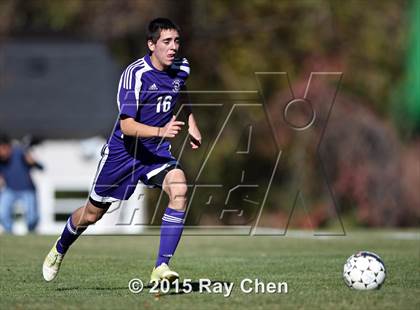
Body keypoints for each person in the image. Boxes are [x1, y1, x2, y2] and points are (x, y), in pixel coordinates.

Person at [42, 18, 202, 283]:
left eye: (176, 41)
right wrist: (162, 131)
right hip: (123, 155)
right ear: (151, 45)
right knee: (92, 214)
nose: (173, 47)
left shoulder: (181, 67)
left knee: (180, 188)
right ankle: (61, 247)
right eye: (166, 42)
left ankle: (161, 268)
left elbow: (180, 91)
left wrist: (192, 124)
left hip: (156, 153)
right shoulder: (135, 74)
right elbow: (127, 126)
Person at [0, 134, 43, 233]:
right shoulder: (1, 160)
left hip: (27, 189)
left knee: (32, 217)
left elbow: (41, 167)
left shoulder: (20, 152)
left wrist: (33, 162)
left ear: (7, 146)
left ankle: (31, 233)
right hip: (10, 190)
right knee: (2, 213)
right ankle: (9, 234)